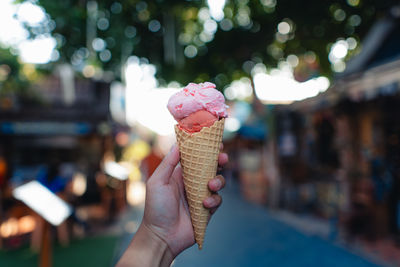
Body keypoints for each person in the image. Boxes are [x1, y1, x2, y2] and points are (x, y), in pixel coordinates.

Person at [116, 144, 228, 267]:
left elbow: (143, 168)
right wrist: (156, 233)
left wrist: (155, 235)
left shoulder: (148, 157)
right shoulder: (158, 156)